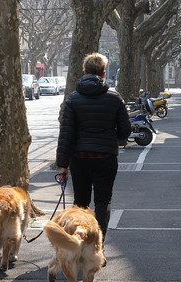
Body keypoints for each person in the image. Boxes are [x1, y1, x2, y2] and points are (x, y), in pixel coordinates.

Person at [56, 52, 132, 244]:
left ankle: (79, 243)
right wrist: (110, 138)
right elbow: (125, 131)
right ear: (104, 73)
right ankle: (98, 245)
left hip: (79, 158)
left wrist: (62, 165)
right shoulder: (115, 98)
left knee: (80, 203)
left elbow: (66, 134)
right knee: (102, 201)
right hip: (105, 157)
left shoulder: (73, 98)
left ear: (84, 72)